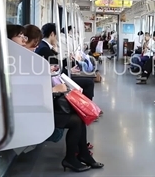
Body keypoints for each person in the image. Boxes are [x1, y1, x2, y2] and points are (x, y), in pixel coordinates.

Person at [8, 24, 104, 172]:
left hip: (35, 104)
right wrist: (53, 89)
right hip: (28, 110)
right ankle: (73, 158)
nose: (23, 39)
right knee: (76, 121)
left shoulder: (20, 58)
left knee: (77, 115)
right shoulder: (14, 61)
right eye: (19, 36)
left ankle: (81, 155)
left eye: (24, 36)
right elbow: (25, 91)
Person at [35, 23, 96, 100]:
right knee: (89, 82)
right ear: (52, 34)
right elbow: (55, 70)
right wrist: (70, 71)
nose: (57, 38)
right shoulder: (45, 49)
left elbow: (55, 64)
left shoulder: (44, 46)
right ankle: (87, 106)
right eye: (57, 35)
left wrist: (67, 59)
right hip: (54, 80)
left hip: (53, 77)